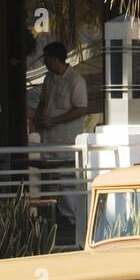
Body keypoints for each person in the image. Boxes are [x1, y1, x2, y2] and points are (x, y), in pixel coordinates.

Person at [36, 42, 89, 239]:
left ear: (55, 59)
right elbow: (43, 101)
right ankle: (58, 217)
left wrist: (54, 120)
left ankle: (75, 220)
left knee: (67, 179)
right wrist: (40, 117)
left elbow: (81, 108)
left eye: (47, 59)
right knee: (52, 179)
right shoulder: (49, 78)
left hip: (66, 139)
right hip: (49, 138)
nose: (45, 63)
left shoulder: (76, 81)